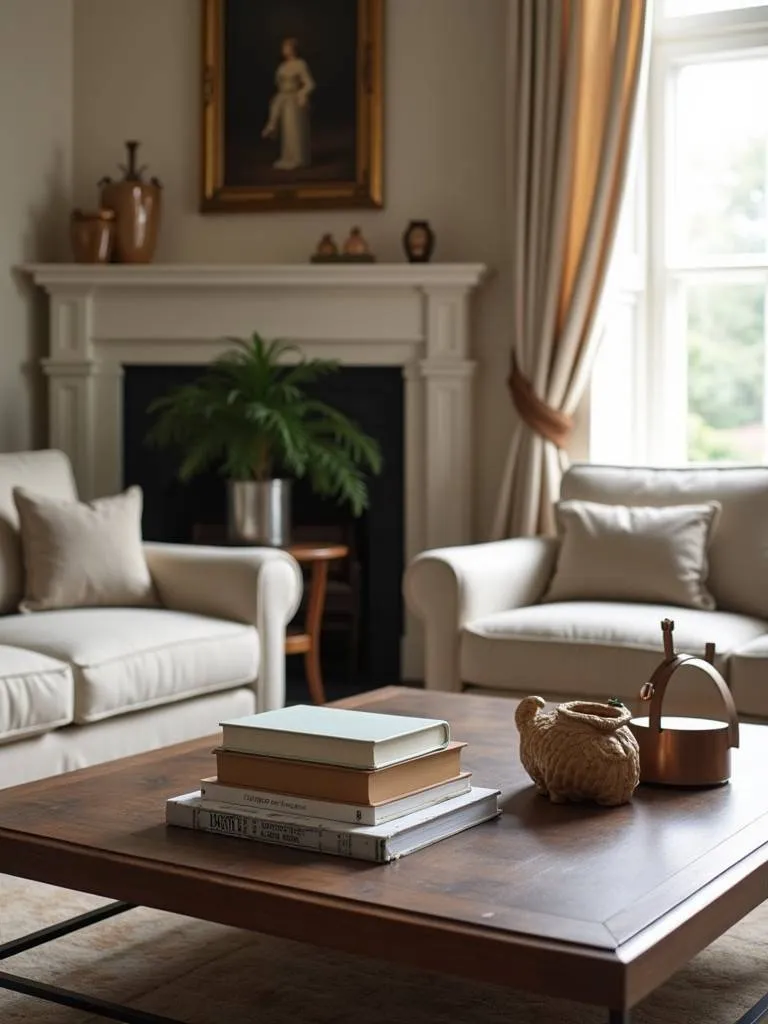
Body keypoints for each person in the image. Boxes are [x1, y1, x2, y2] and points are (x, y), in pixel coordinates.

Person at [261, 37, 315, 170]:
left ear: (293, 49)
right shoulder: (282, 66)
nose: (284, 50)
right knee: (285, 127)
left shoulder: (300, 64)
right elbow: (279, 84)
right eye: (283, 47)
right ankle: (287, 156)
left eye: (286, 47)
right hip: (283, 97)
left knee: (293, 128)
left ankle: (298, 158)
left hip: (294, 99)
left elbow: (310, 84)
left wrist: (302, 94)